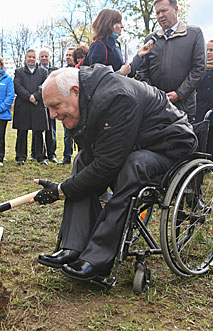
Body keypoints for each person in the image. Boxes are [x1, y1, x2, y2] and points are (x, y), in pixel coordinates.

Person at [33, 65, 197, 281]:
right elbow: (92, 152)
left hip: (168, 146)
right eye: (49, 109)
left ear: (75, 91)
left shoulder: (116, 97)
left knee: (134, 165)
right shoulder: (87, 96)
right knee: (83, 160)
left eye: (55, 106)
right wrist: (66, 188)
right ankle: (74, 246)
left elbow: (107, 166)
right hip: (135, 143)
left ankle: (98, 257)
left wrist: (61, 190)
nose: (53, 115)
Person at [136, 0, 206, 123]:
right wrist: (155, 95)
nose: (160, 15)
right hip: (155, 107)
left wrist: (179, 93)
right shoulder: (151, 39)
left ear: (176, 9)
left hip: (184, 107)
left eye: (164, 10)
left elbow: (199, 68)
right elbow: (142, 70)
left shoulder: (194, 34)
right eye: (157, 13)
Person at [82, 8, 153, 76]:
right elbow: (96, 78)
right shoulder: (98, 46)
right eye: (119, 22)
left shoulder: (116, 44)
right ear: (108, 24)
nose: (122, 26)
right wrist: (120, 73)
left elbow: (128, 72)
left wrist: (139, 55)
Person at [13, 48, 49, 165]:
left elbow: (44, 86)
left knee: (38, 132)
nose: (31, 59)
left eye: (33, 57)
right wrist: (29, 97)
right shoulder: (19, 71)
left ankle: (41, 157)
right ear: (25, 58)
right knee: (22, 132)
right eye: (29, 57)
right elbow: (17, 86)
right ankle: (20, 157)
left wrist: (36, 96)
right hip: (23, 106)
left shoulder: (43, 72)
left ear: (36, 59)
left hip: (37, 105)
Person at [38, 48, 59, 163]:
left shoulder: (55, 70)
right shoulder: (36, 70)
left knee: (51, 130)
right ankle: (37, 153)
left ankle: (52, 154)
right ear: (39, 58)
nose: (44, 58)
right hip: (38, 104)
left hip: (51, 104)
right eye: (42, 56)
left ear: (49, 57)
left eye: (46, 56)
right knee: (38, 130)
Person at [61, 48, 76, 165]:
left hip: (78, 106)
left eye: (70, 55)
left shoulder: (81, 70)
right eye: (66, 55)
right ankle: (67, 157)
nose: (68, 57)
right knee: (67, 135)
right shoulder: (63, 72)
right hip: (66, 106)